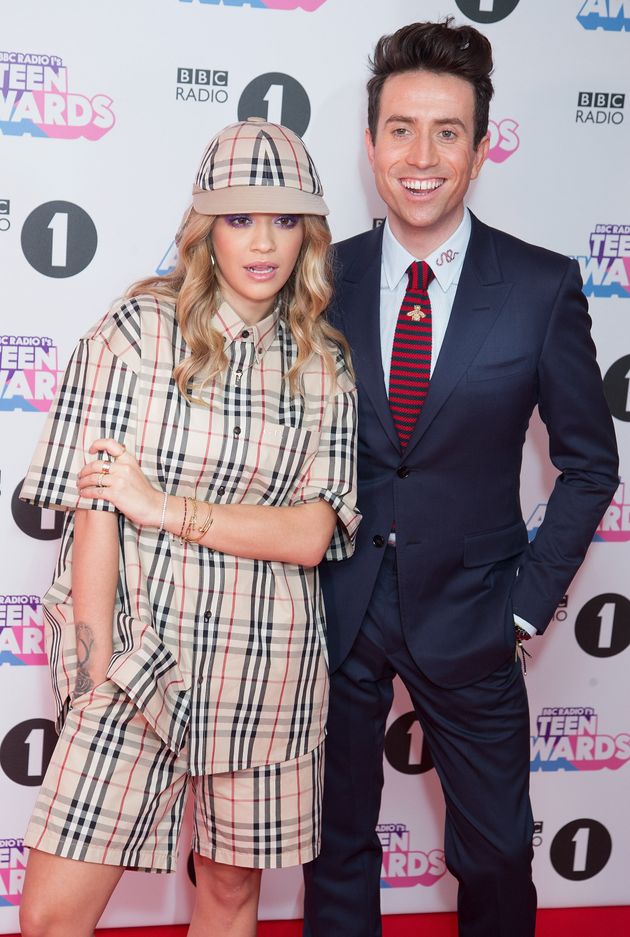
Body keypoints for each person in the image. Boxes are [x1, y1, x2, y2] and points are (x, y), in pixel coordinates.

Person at [303, 19, 618, 937]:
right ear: (370, 146)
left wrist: (523, 606)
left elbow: (590, 463)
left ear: (482, 148)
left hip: (477, 613)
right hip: (338, 607)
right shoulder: (325, 276)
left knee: (493, 856)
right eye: (401, 128)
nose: (422, 154)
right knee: (336, 845)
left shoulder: (538, 285)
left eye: (448, 131)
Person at [18, 117, 360, 937]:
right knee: (52, 915)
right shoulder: (135, 331)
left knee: (231, 892)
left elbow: (312, 533)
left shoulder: (323, 362)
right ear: (206, 227)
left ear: (309, 232)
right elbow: (95, 501)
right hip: (138, 664)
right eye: (240, 217)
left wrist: (164, 506)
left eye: (284, 219)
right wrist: (95, 670)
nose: (264, 242)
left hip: (265, 671)